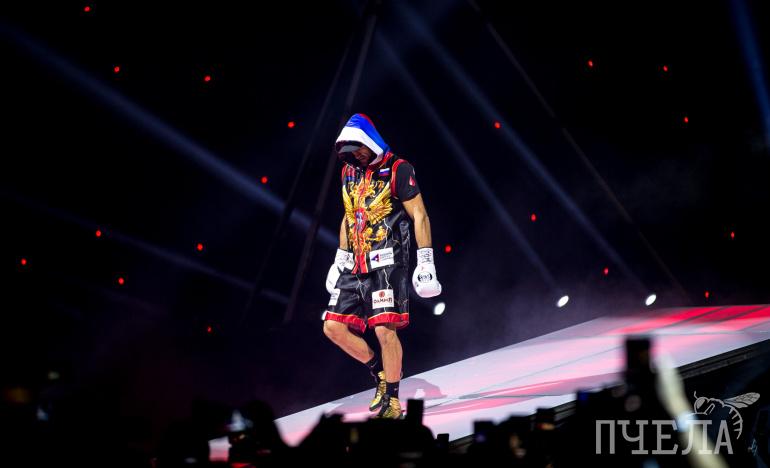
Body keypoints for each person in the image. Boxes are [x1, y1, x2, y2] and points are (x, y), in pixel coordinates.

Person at [322, 113, 442, 419]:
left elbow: (419, 214)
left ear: (370, 140)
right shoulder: (349, 172)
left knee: (384, 331)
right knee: (333, 327)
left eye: (359, 148)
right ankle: (380, 373)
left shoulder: (399, 169)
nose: (357, 155)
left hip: (388, 262)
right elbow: (350, 215)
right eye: (350, 152)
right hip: (356, 263)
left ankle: (393, 400)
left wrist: (425, 260)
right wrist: (340, 258)